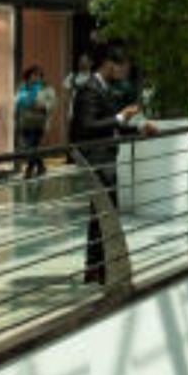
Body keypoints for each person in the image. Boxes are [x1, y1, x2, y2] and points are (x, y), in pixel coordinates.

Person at [69, 46, 156, 283]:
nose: (125, 73)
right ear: (110, 64)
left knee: (101, 213)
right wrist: (120, 116)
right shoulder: (89, 89)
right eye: (123, 68)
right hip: (97, 159)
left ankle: (96, 267)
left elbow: (109, 127)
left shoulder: (102, 88)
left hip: (105, 158)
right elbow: (86, 126)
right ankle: (99, 267)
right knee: (105, 212)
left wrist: (138, 129)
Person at [13, 64, 57, 180]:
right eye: (34, 75)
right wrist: (16, 117)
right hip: (25, 123)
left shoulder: (46, 89)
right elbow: (18, 103)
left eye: (39, 76)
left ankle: (29, 169)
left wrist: (39, 104)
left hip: (39, 123)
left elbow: (51, 105)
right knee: (31, 147)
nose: (36, 78)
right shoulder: (22, 88)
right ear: (28, 76)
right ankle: (41, 167)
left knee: (32, 146)